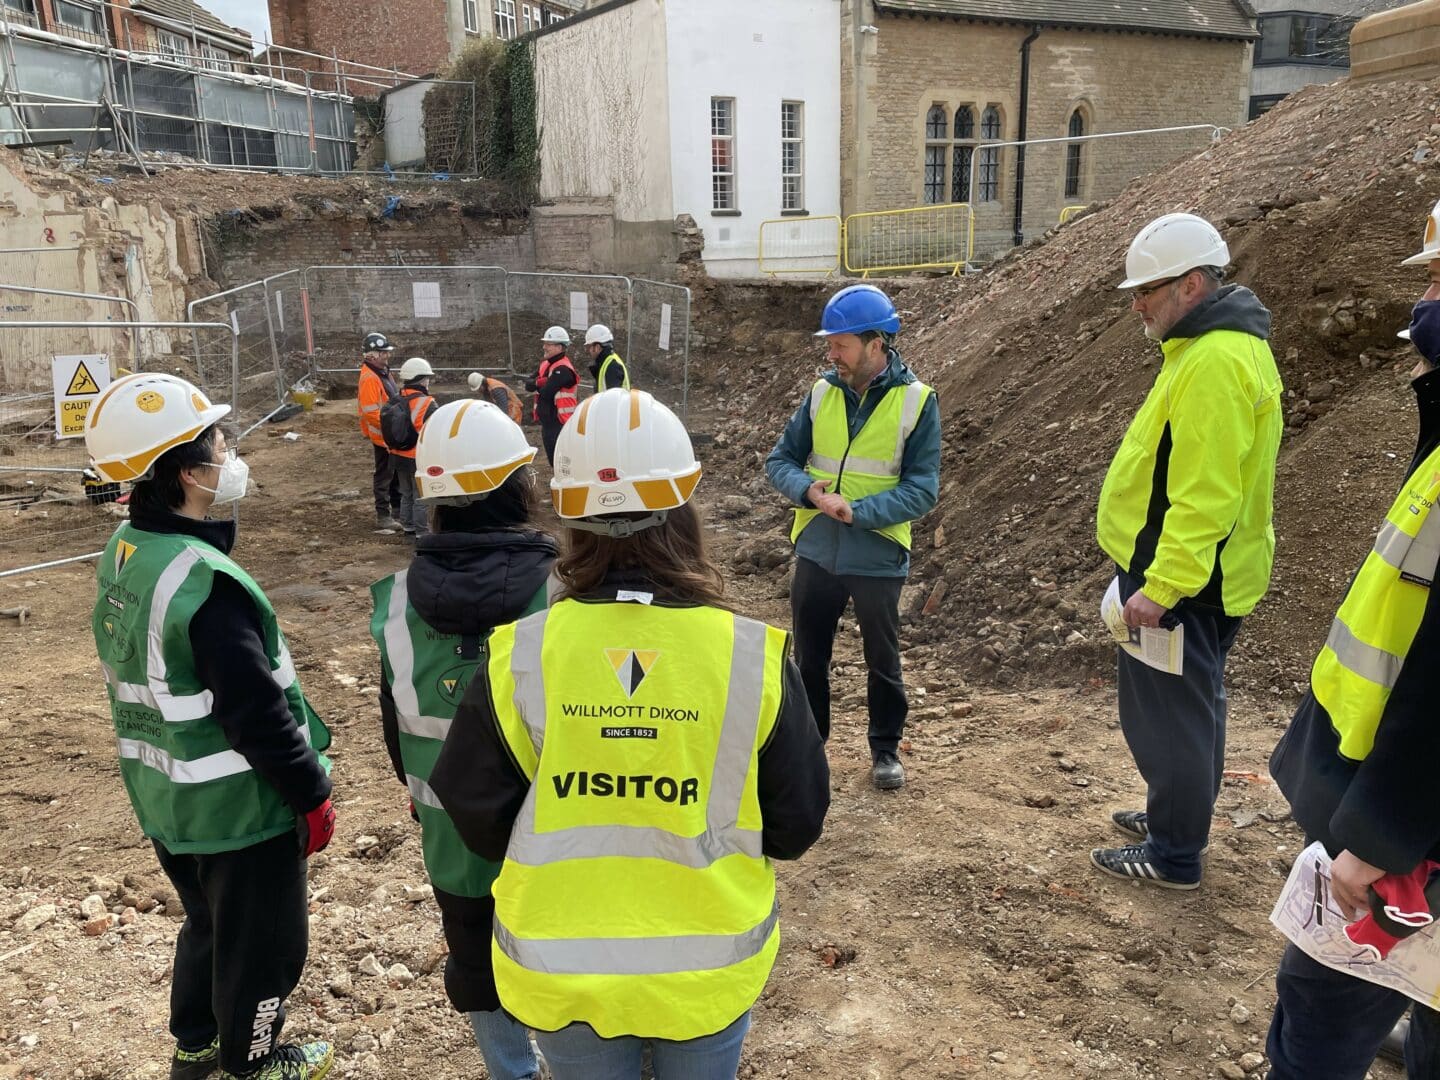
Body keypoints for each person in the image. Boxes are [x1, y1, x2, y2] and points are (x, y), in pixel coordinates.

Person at [429, 388, 830, 1080]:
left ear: (570, 513)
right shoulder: (748, 657)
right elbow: (796, 825)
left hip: (564, 970)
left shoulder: (522, 654)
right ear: (685, 504)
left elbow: (476, 813)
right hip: (707, 972)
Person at [84, 372, 335, 1080]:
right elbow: (257, 713)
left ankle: (195, 1043)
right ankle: (253, 1062)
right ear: (191, 475)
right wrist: (311, 794)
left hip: (170, 798)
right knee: (264, 946)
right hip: (239, 810)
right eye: (223, 448)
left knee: (207, 924)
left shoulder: (129, 550)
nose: (233, 460)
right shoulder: (206, 584)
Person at [1263, 198, 1440, 1079]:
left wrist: (1382, 833)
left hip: (1405, 837)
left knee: (1318, 1021)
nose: (1425, 304)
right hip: (1397, 811)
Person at [1090, 212, 1283, 890]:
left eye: (1147, 290)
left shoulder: (1214, 362)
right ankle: (1176, 817)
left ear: (1192, 285)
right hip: (1206, 577)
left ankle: (1174, 854)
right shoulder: (1219, 350)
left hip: (1185, 585)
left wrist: (1164, 585)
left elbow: (1204, 495)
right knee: (1193, 711)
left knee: (1172, 720)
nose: (1136, 304)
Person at [369, 398, 556, 1080]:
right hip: (558, 839)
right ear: (520, 487)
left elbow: (396, 728)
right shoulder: (563, 596)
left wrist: (427, 800)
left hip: (451, 833)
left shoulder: (393, 603)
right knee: (565, 964)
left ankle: (513, 1071)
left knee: (478, 964)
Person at [764, 284, 941, 791]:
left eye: (840, 344)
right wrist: (809, 493)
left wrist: (857, 511)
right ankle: (810, 746)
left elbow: (922, 490)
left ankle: (886, 750)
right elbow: (780, 462)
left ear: (876, 344)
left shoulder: (917, 402)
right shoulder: (821, 393)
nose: (831, 354)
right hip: (817, 549)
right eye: (830, 344)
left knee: (882, 661)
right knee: (809, 659)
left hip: (878, 554)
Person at [386, 356, 439, 539]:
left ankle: (408, 526)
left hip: (397, 456)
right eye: (427, 378)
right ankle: (422, 532)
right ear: (422, 379)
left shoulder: (395, 399)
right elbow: (436, 431)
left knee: (406, 493)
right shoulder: (426, 403)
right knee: (421, 497)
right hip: (417, 457)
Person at [357, 331, 401, 530]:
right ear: (371, 355)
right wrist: (390, 428)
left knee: (395, 473)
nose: (387, 355)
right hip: (382, 435)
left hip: (390, 433)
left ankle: (398, 510)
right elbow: (370, 412)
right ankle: (383, 515)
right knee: (384, 474)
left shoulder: (383, 372)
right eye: (382, 352)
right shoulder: (370, 378)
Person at [524, 326, 579, 465]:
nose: (544, 347)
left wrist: (538, 383)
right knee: (553, 461)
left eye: (548, 344)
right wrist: (540, 383)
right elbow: (528, 384)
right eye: (545, 343)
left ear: (559, 347)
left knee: (562, 462)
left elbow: (547, 392)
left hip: (560, 424)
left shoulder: (564, 369)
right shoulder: (545, 365)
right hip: (548, 424)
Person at [584, 324, 630, 391]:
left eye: (589, 347)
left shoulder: (612, 366)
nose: (589, 350)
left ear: (597, 347)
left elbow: (613, 399)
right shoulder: (606, 363)